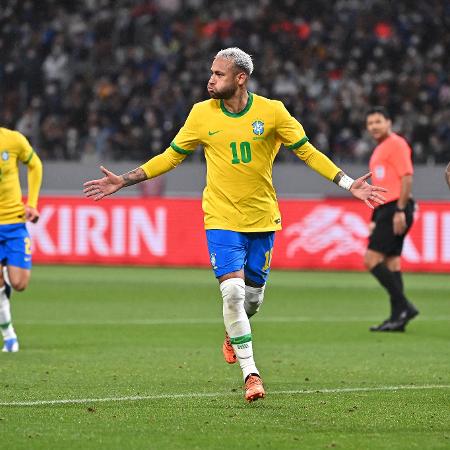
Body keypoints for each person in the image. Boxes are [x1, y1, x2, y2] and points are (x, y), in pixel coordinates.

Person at [83, 48, 386, 402]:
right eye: (211, 73)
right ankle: (251, 375)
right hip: (221, 217)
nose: (211, 79)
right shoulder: (200, 114)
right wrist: (125, 180)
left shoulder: (272, 112)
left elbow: (308, 151)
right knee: (233, 293)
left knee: (252, 300)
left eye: (219, 74)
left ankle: (233, 332)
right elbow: (171, 156)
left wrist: (349, 184)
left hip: (261, 218)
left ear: (240, 78)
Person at [364, 107, 419, 332]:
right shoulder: (380, 149)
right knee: (392, 262)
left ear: (389, 122)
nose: (374, 126)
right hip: (386, 209)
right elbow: (384, 186)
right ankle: (398, 317)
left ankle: (405, 306)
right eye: (370, 123)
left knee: (371, 259)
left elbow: (407, 177)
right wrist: (375, 216)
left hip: (396, 207)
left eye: (378, 121)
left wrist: (400, 209)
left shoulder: (396, 144)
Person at [0, 127, 43, 352]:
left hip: (14, 224)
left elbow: (35, 165)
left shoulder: (12, 140)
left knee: (19, 284)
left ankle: (5, 276)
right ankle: (9, 336)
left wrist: (32, 203)